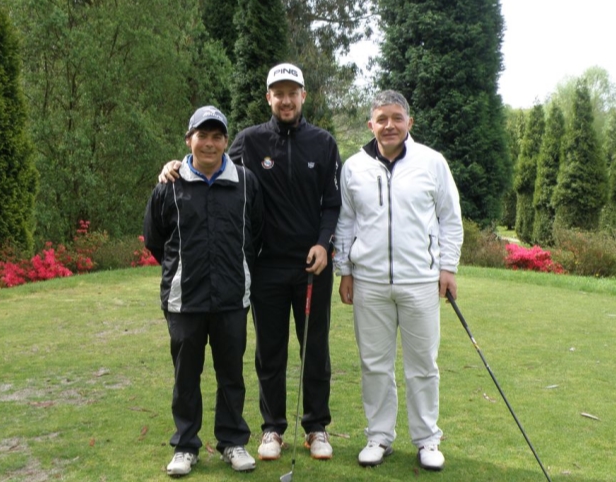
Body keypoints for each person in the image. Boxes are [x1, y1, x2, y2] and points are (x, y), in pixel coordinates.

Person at [159, 63, 342, 461]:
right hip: (266, 268)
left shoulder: (323, 143)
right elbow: (208, 161)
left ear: (303, 96)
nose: (286, 99)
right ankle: (272, 428)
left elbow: (332, 204)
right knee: (269, 352)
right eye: (279, 92)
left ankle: (316, 427)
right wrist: (172, 165)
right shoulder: (249, 141)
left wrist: (324, 244)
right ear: (269, 98)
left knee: (314, 349)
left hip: (314, 267)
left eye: (293, 91)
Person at [333, 90, 463, 471]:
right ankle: (379, 436)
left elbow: (450, 219)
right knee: (375, 364)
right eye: (381, 118)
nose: (389, 125)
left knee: (423, 365)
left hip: (420, 281)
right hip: (369, 282)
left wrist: (448, 268)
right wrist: (345, 271)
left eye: (397, 117)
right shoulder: (353, 167)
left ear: (409, 122)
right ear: (370, 124)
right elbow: (346, 222)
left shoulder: (432, 163)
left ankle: (427, 440)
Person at [143, 106, 263, 477]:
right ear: (189, 140)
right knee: (186, 375)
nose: (209, 143)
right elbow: (154, 239)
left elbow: (255, 235)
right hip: (184, 299)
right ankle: (185, 445)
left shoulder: (245, 181)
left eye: (216, 136)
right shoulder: (169, 184)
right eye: (202, 135)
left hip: (231, 296)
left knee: (231, 373)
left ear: (226, 141)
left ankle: (232, 441)